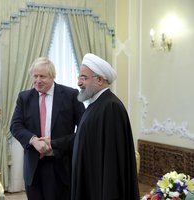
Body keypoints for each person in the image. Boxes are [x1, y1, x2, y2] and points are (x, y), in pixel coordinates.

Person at [49, 53, 139, 200]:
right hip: (90, 184)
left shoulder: (111, 107)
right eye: (79, 77)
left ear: (99, 80)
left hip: (100, 189)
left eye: (84, 78)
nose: (79, 82)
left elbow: (113, 163)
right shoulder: (95, 105)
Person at [10, 57, 85, 200]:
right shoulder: (24, 97)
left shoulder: (71, 95)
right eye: (35, 76)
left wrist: (55, 143)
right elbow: (15, 126)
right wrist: (33, 140)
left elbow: (83, 130)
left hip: (61, 165)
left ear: (52, 76)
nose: (38, 80)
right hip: (33, 166)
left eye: (42, 76)